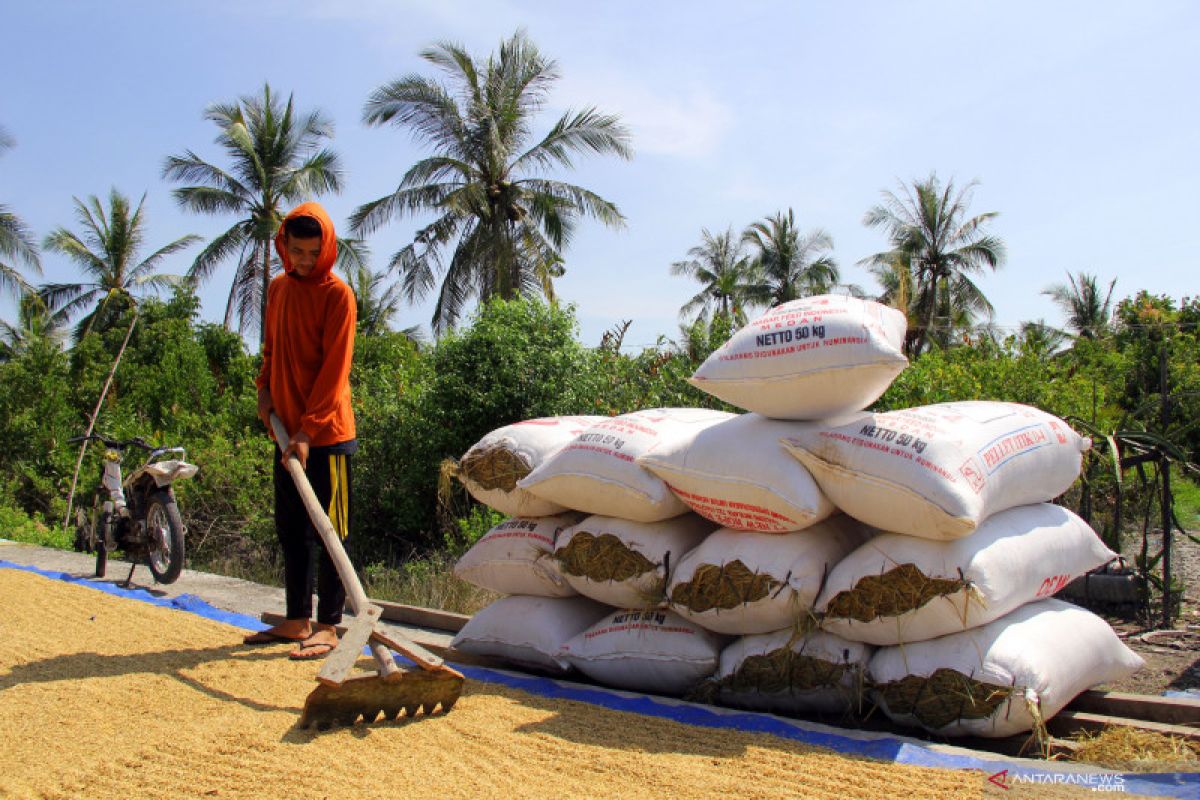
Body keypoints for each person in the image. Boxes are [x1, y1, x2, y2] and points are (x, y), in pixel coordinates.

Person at [242, 201, 358, 660]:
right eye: (296, 252)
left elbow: (334, 373)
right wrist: (264, 391)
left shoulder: (338, 296)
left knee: (332, 532)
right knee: (291, 529)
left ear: (326, 247)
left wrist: (310, 433)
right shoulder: (279, 289)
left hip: (327, 439)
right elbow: (271, 349)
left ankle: (329, 625)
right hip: (286, 435)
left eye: (312, 252)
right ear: (284, 247)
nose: (303, 261)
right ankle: (296, 619)